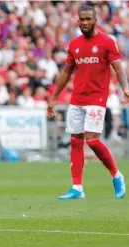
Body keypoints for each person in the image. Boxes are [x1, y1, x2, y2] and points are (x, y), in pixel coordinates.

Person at [47, 5, 129, 200]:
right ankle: (77, 187)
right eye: (81, 19)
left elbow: (118, 68)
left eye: (88, 19)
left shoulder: (107, 42)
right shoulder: (74, 43)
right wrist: (53, 97)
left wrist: (125, 87)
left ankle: (116, 175)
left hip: (97, 97)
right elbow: (67, 72)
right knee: (75, 140)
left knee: (91, 140)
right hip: (77, 97)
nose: (84, 23)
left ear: (95, 20)